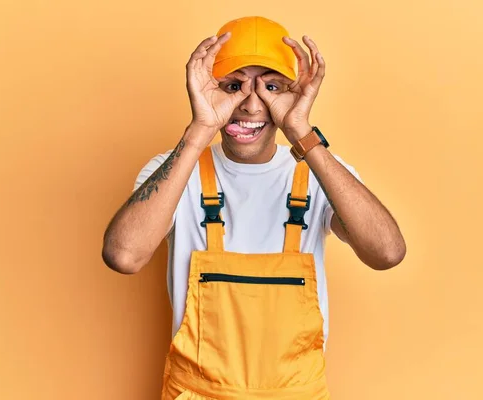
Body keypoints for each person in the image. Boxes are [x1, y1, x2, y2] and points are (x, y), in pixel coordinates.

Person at [102, 15, 406, 399]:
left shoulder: (319, 173)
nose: (249, 104)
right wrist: (200, 129)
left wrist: (301, 131)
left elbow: (387, 253)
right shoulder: (175, 171)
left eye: (272, 87)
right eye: (233, 86)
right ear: (209, 89)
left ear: (295, 93)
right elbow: (123, 256)